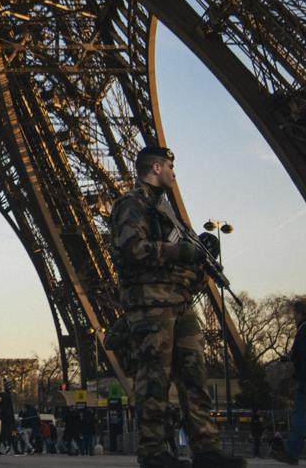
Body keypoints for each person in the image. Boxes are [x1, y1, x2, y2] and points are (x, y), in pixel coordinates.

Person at [109, 145, 245, 468]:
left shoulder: (166, 211)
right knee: (154, 378)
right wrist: (181, 252)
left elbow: (175, 252)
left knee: (195, 377)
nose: (174, 172)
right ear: (156, 168)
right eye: (170, 166)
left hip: (180, 303)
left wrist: (200, 249)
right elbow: (133, 250)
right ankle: (152, 451)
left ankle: (206, 449)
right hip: (151, 305)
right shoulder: (132, 204)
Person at [274, 298, 306, 465]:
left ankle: (292, 452)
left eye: (295, 315)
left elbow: (299, 354)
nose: (294, 318)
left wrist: (288, 359)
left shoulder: (302, 331)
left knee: (299, 419)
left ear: (300, 314)